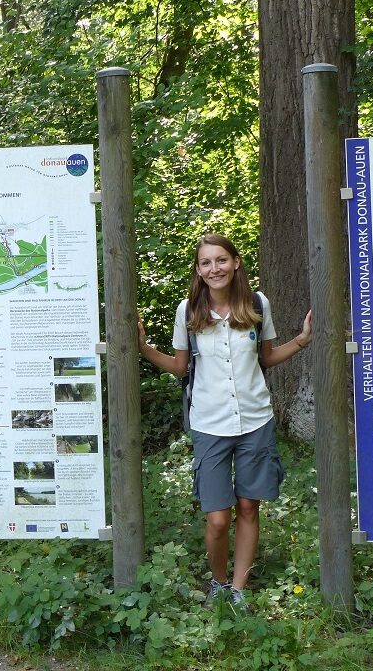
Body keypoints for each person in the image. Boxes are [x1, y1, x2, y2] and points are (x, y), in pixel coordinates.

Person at [138, 234, 312, 610]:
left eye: (221, 260)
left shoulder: (256, 303)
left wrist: (301, 340)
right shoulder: (188, 311)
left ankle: (238, 591)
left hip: (255, 421)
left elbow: (265, 358)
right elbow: (180, 367)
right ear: (198, 271)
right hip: (209, 425)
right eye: (206, 263)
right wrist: (144, 348)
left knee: (249, 507)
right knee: (218, 518)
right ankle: (218, 583)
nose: (214, 268)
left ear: (235, 262)